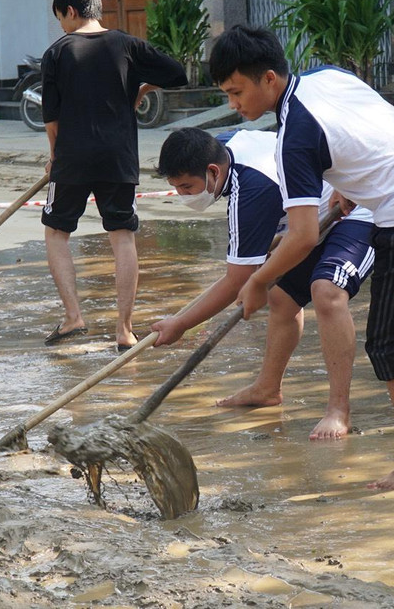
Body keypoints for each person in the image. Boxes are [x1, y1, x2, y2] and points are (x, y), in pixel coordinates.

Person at [209, 24, 394, 490]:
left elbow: (302, 237)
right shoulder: (327, 76)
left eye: (236, 91)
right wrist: (350, 179)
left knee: (388, 345)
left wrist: (260, 281)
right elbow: (377, 122)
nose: (233, 106)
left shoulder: (294, 137)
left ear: (267, 78)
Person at [151, 127, 375, 440]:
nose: (183, 196)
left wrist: (181, 323)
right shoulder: (220, 146)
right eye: (175, 187)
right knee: (282, 297)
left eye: (187, 187)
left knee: (327, 291)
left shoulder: (251, 189)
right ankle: (268, 388)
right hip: (304, 224)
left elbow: (237, 281)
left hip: (352, 210)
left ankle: (339, 409)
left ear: (213, 171)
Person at [40, 0, 185, 348]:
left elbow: (51, 119)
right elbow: (177, 74)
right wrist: (141, 88)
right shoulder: (127, 45)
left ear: (71, 11)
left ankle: (73, 317)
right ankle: (124, 329)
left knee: (57, 233)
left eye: (61, 17)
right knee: (122, 236)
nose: (62, 26)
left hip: (72, 157)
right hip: (118, 156)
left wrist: (54, 159)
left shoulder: (57, 52)